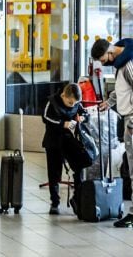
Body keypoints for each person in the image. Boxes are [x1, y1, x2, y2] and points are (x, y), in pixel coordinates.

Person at [92, 37, 133, 226]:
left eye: (102, 59)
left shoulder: (127, 64)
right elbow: (123, 89)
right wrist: (109, 102)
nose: (103, 63)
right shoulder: (120, 63)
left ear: (110, 52)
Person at [42, 82, 86, 215]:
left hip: (70, 141)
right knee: (54, 172)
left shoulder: (77, 103)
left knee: (79, 168)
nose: (73, 105)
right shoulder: (52, 101)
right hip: (53, 140)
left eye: (75, 103)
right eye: (70, 102)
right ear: (63, 95)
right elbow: (45, 118)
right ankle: (55, 202)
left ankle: (77, 198)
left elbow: (84, 112)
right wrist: (63, 124)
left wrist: (83, 117)